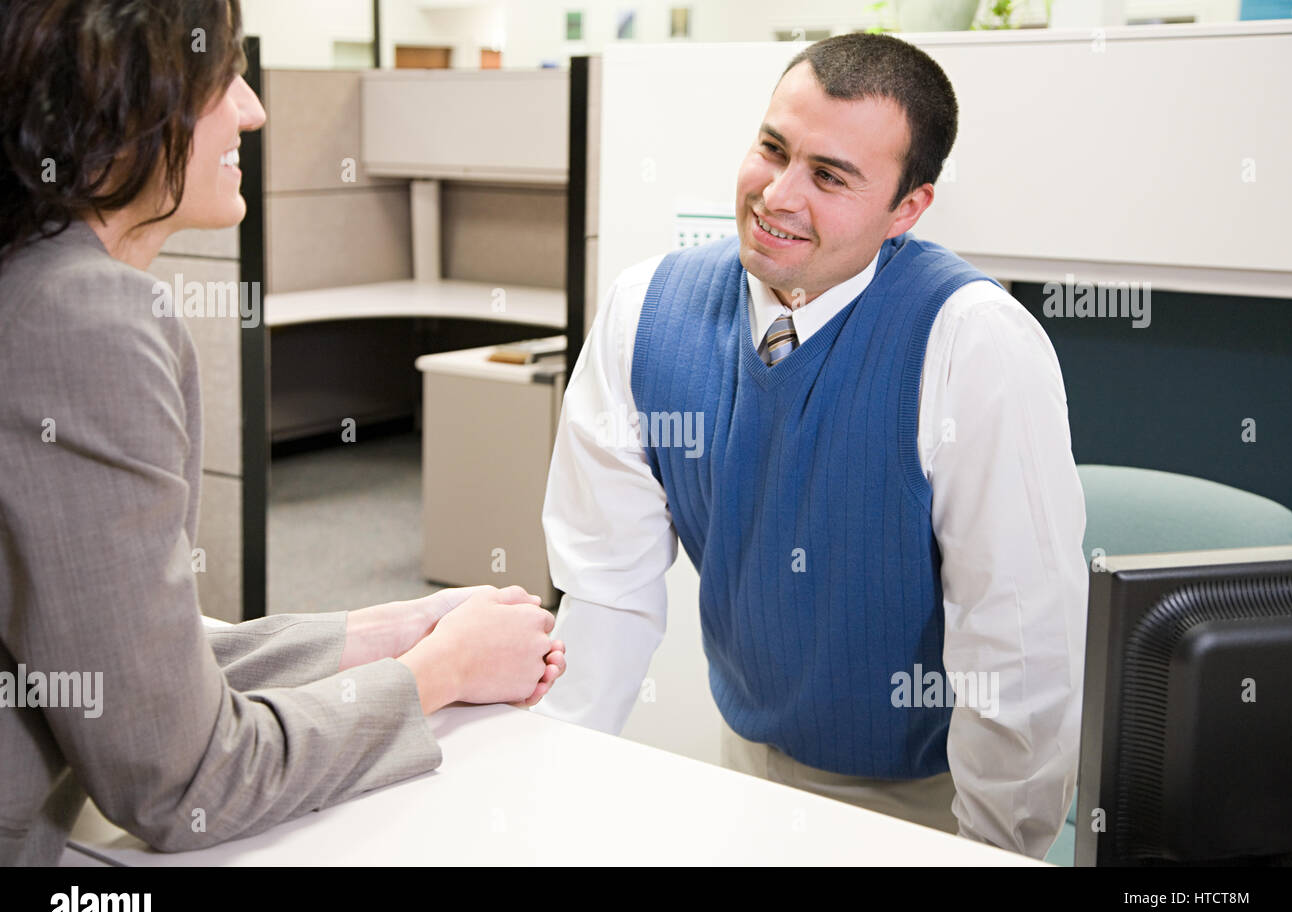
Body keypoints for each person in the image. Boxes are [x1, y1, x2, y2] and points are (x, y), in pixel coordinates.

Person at [0, 0, 565, 867]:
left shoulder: (31, 280)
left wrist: (391, 630)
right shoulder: (88, 320)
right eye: (219, 77)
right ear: (119, 94)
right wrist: (441, 674)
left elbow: (128, 657)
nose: (253, 109)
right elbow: (186, 784)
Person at [536, 33, 1088, 858]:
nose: (778, 196)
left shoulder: (974, 346)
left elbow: (1016, 649)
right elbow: (606, 594)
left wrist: (993, 853)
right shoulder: (642, 314)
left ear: (907, 209)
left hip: (927, 798)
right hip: (742, 763)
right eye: (772, 149)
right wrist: (550, 790)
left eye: (829, 177)